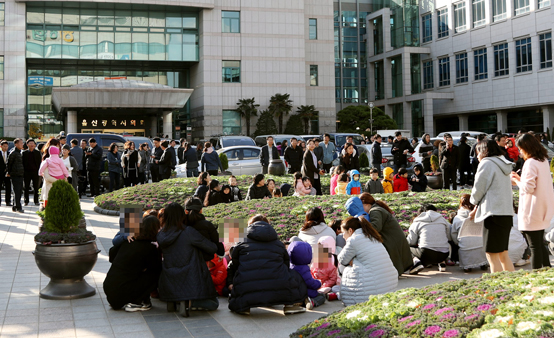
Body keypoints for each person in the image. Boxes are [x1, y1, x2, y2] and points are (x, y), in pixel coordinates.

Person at [227, 214, 307, 315]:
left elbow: (234, 265)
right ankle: (291, 305)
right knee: (295, 275)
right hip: (279, 287)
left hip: (247, 287)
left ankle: (243, 307)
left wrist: (231, 283)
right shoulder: (278, 244)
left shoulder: (241, 242)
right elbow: (285, 265)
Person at [157, 203, 219, 317]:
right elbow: (212, 247)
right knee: (214, 303)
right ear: (182, 215)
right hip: (190, 277)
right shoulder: (188, 232)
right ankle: (189, 303)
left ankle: (174, 302)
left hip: (169, 277)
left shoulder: (161, 235)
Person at [470, 140, 515, 273]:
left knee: (492, 254)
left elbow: (479, 188)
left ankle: (499, 288)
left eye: (478, 152)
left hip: (493, 214)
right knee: (503, 254)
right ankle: (513, 285)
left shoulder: (487, 163)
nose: (477, 156)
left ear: (484, 151)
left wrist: (473, 202)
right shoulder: (504, 163)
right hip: (506, 213)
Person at [511, 133, 554, 269]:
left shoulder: (530, 163)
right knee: (540, 244)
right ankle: (547, 271)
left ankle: (537, 275)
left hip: (532, 210)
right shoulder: (542, 160)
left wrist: (516, 180)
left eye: (520, 148)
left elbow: (528, 188)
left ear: (526, 148)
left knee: (535, 245)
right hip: (542, 207)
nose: (519, 151)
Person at [103, 216, 162, 312]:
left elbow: (112, 254)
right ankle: (137, 302)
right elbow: (155, 267)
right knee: (156, 273)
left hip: (109, 288)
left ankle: (130, 299)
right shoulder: (150, 247)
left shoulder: (128, 240)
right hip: (122, 292)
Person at [346, 194, 413, 276]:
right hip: (393, 240)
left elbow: (375, 227)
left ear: (366, 204)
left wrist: (362, 221)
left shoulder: (375, 211)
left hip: (392, 242)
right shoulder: (376, 209)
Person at [338, 216, 398, 306]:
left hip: (371, 291)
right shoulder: (372, 236)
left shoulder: (354, 239)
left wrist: (353, 261)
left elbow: (342, 260)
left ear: (350, 230)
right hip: (389, 285)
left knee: (346, 268)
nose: (343, 236)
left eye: (343, 232)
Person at [407, 204, 452, 273]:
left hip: (425, 254)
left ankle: (417, 262)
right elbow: (449, 237)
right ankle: (442, 263)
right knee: (442, 244)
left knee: (407, 248)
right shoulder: (443, 220)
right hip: (444, 254)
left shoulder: (417, 222)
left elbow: (411, 242)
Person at [450, 194, 488, 272]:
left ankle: (467, 266)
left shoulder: (457, 218)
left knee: (463, 244)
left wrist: (458, 243)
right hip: (481, 244)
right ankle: (483, 263)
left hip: (465, 246)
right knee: (480, 245)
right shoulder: (479, 215)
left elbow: (453, 233)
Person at [287, 241, 325, 310]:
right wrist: (318, 283)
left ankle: (298, 302)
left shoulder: (289, 266)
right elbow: (310, 282)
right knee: (322, 296)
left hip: (292, 293)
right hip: (304, 292)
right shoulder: (304, 269)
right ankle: (312, 302)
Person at [7, 139, 25, 213]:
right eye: (21, 143)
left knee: (19, 191)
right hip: (15, 175)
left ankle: (15, 206)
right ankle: (18, 207)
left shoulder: (20, 152)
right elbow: (9, 164)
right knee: (17, 191)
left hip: (20, 174)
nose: (22, 144)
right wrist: (9, 172)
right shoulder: (13, 153)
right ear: (16, 144)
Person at [22, 139, 41, 206]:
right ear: (27, 145)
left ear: (35, 145)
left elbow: (39, 163)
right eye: (30, 143)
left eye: (33, 143)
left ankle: (36, 201)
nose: (32, 144)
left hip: (35, 172)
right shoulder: (24, 153)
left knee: (36, 187)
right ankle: (26, 201)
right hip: (26, 172)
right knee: (26, 187)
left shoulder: (37, 153)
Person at [0, 140, 11, 206]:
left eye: (7, 146)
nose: (6, 147)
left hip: (7, 173)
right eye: (4, 146)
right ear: (1, 146)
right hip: (0, 173)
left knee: (8, 188)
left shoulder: (10, 153)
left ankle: (8, 201)